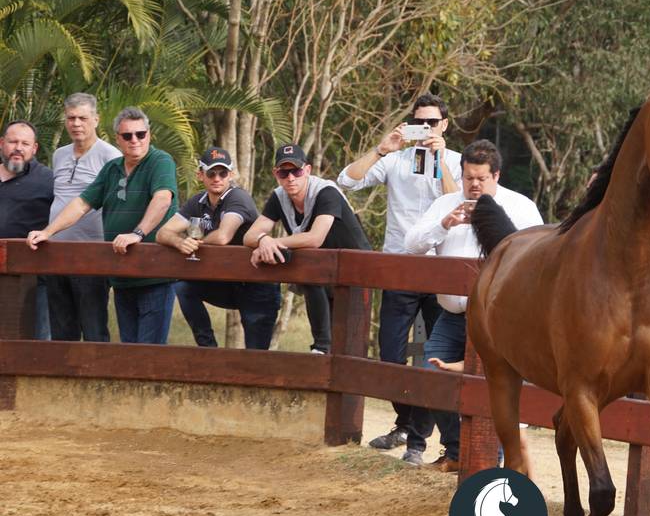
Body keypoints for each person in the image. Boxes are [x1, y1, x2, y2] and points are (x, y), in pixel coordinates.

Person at [403, 140, 543, 469]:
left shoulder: (520, 207)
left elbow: (538, 257)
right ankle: (457, 451)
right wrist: (444, 224)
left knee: (491, 387)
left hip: (499, 318)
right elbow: (410, 246)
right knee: (431, 378)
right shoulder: (445, 204)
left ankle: (487, 461)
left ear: (496, 175)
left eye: (481, 178)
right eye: (468, 178)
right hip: (452, 316)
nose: (474, 185)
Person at [338, 93, 463, 452]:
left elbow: (458, 201)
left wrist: (439, 159)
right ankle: (406, 423)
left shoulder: (456, 161)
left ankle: (418, 437)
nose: (425, 130)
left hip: (443, 269)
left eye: (432, 123)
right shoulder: (396, 160)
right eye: (419, 123)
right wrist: (382, 148)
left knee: (434, 356)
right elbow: (346, 180)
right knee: (390, 354)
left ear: (444, 125)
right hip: (400, 268)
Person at [27, 107, 178, 344]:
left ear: (149, 135)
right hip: (122, 274)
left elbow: (162, 199)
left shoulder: (160, 161)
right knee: (128, 349)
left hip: (154, 274)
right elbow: (81, 204)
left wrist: (137, 234)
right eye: (127, 135)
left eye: (141, 134)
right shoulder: (112, 168)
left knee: (150, 355)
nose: (135, 140)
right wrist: (48, 231)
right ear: (118, 138)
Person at [244, 144, 371, 353]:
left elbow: (315, 238)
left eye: (296, 171)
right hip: (320, 270)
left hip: (356, 271)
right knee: (309, 273)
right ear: (276, 174)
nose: (290, 178)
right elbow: (250, 235)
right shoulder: (279, 197)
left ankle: (328, 354)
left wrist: (274, 241)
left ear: (308, 170)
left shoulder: (326, 192)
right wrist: (263, 240)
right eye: (284, 172)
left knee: (351, 344)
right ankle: (320, 349)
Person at [157, 147, 281, 349]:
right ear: (200, 175)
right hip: (228, 282)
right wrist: (180, 242)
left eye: (223, 173)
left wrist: (197, 242)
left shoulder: (238, 197)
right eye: (211, 173)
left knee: (257, 357)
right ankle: (208, 349)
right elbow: (163, 233)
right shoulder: (197, 201)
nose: (217, 178)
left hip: (259, 285)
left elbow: (223, 236)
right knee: (183, 286)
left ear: (230, 175)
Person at [44, 93, 122, 342]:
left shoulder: (111, 156)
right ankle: (63, 379)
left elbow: (118, 203)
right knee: (61, 328)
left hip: (91, 254)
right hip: (55, 252)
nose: (76, 123)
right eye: (71, 118)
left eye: (82, 118)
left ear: (96, 119)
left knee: (93, 327)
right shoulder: (59, 154)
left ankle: (96, 380)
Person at [0, 120, 54, 339]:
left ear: (34, 148)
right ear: (2, 143)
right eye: (13, 142)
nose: (18, 148)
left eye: (25, 143)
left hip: (32, 277)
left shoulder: (49, 180)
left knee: (37, 341)